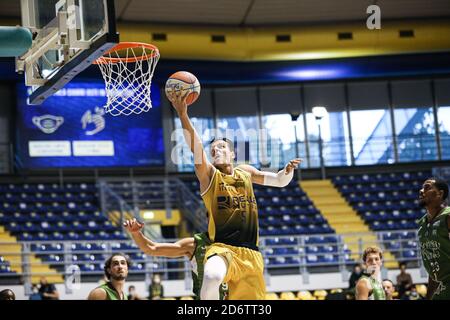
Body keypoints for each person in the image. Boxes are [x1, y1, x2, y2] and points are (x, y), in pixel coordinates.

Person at [168, 90, 301, 300]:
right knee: (211, 276)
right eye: (212, 150)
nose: (216, 151)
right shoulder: (209, 176)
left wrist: (287, 171)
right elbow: (196, 147)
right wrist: (183, 115)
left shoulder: (246, 172)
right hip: (222, 249)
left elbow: (278, 181)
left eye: (221, 147)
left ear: (233, 154)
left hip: (251, 254)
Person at [124, 218, 228, 300]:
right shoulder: (194, 244)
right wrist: (136, 233)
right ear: (208, 218)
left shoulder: (238, 245)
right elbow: (152, 249)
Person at [417, 178, 450, 300]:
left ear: (440, 194)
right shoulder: (422, 224)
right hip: (441, 284)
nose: (421, 191)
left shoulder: (447, 216)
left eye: (427, 187)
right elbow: (433, 266)